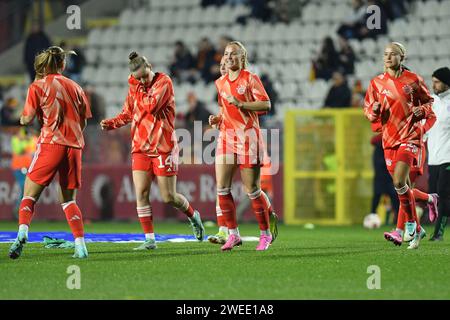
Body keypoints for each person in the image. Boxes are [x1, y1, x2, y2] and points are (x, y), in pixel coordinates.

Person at [100, 52, 205, 250]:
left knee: (168, 196)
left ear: (150, 67)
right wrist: (112, 123)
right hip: (140, 146)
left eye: (144, 76)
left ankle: (193, 215)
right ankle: (150, 239)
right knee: (141, 192)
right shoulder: (136, 87)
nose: (141, 80)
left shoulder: (163, 82)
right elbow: (128, 113)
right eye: (137, 78)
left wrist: (136, 86)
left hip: (163, 146)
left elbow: (151, 106)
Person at [9, 46, 91, 259]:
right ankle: (80, 246)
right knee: (68, 200)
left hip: (50, 144)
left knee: (29, 195)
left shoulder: (37, 86)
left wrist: (23, 118)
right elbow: (83, 121)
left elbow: (26, 119)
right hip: (74, 148)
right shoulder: (76, 87)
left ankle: (22, 234)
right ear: (62, 65)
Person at [364, 42, 435, 250]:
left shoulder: (413, 80)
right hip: (389, 139)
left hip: (410, 137)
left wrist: (421, 110)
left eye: (392, 54)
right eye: (385, 54)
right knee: (402, 187)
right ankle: (419, 223)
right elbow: (367, 110)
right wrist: (374, 110)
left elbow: (429, 102)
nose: (387, 58)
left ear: (401, 57)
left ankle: (410, 224)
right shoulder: (376, 83)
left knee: (398, 181)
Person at [209, 41, 276, 251]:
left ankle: (265, 235)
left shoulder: (250, 79)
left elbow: (266, 104)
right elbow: (226, 111)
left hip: (248, 139)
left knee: (252, 190)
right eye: (227, 54)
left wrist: (242, 104)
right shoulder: (220, 83)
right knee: (222, 187)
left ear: (242, 58)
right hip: (226, 139)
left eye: (234, 54)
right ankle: (233, 234)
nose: (229, 57)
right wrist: (217, 120)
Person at [427, 67, 450, 241]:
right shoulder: (430, 102)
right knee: (434, 195)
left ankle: (438, 234)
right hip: (433, 158)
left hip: (447, 157)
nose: (433, 85)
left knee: (443, 193)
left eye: (437, 82)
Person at [10, 127, 37, 218]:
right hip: (18, 168)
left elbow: (36, 145)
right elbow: (19, 150)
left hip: (29, 168)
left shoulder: (31, 139)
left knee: (28, 190)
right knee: (23, 188)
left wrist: (29, 139)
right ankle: (19, 209)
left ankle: (23, 210)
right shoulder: (15, 139)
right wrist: (26, 141)